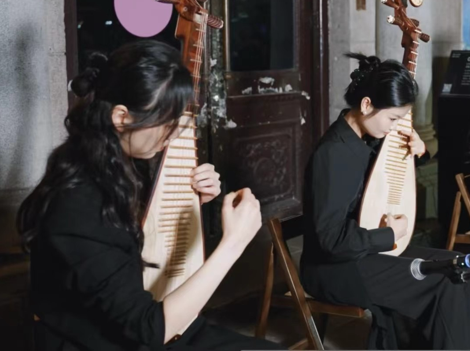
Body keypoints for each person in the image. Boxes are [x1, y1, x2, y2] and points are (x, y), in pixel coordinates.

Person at [17, 41, 280, 350]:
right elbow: (149, 330)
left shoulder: (116, 163)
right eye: (167, 123)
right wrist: (233, 243)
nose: (175, 134)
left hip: (146, 327)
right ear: (122, 117)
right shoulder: (78, 203)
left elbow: (135, 240)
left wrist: (191, 202)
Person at [299, 53, 470, 350]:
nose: (394, 127)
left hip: (365, 251)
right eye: (393, 118)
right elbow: (330, 239)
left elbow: (377, 182)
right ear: (366, 105)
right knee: (441, 281)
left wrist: (417, 152)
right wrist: (389, 235)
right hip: (334, 269)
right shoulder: (332, 154)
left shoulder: (367, 139)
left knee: (457, 269)